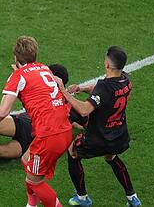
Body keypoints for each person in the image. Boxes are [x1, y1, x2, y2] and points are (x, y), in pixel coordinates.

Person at [0, 36, 73, 207]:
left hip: (48, 136)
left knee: (35, 182)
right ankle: (31, 205)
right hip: (64, 131)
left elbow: (3, 111)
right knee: (26, 159)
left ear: (16, 58)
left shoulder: (18, 76)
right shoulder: (45, 68)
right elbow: (51, 83)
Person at [57, 46, 142, 207]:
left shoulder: (104, 87)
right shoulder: (126, 80)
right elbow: (102, 92)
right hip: (119, 134)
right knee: (111, 157)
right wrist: (81, 88)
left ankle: (82, 198)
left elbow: (84, 110)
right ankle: (133, 198)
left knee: (72, 152)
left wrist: (64, 92)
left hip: (99, 137)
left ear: (107, 65)